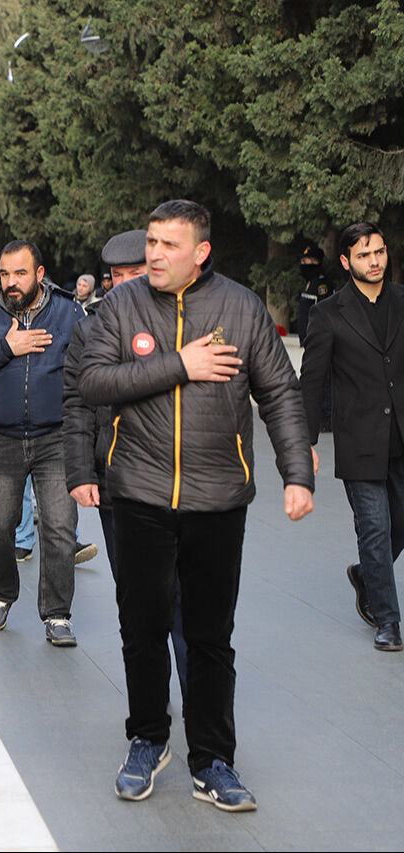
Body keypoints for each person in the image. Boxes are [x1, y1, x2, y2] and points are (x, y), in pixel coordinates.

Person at [79, 199, 314, 811]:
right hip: (139, 491)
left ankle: (213, 761)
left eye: (168, 245)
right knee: (143, 627)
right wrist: (179, 364)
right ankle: (147, 738)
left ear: (201, 252)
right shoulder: (121, 305)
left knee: (210, 636)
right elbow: (94, 383)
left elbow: (280, 394)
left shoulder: (240, 307)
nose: (154, 254)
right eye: (151, 242)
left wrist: (298, 473)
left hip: (217, 497)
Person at [66, 226, 189, 700]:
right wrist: (80, 472)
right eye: (117, 275)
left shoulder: (190, 320)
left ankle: (197, 700)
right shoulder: (90, 330)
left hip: (183, 483)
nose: (125, 283)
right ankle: (151, 708)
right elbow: (76, 404)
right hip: (118, 484)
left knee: (185, 598)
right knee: (139, 601)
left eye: (135, 272)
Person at [0, 240, 85, 647]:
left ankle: (57, 614)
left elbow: (87, 368)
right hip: (1, 439)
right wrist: (6, 348)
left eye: (20, 273)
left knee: (60, 529)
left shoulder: (67, 312)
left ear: (39, 274)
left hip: (55, 439)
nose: (10, 282)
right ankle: (2, 594)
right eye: (5, 274)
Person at [300, 222, 404, 652]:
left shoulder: (402, 301)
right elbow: (312, 381)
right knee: (375, 529)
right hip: (359, 439)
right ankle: (388, 619)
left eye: (379, 252)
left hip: (401, 437)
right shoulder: (328, 313)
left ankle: (365, 574)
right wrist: (304, 443)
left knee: (399, 525)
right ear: (345, 262)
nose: (375, 261)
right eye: (364, 255)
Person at [294, 243, 334, 346]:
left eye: (304, 261)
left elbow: (325, 313)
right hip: (308, 341)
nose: (302, 264)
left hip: (317, 341)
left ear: (315, 262)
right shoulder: (310, 282)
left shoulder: (321, 284)